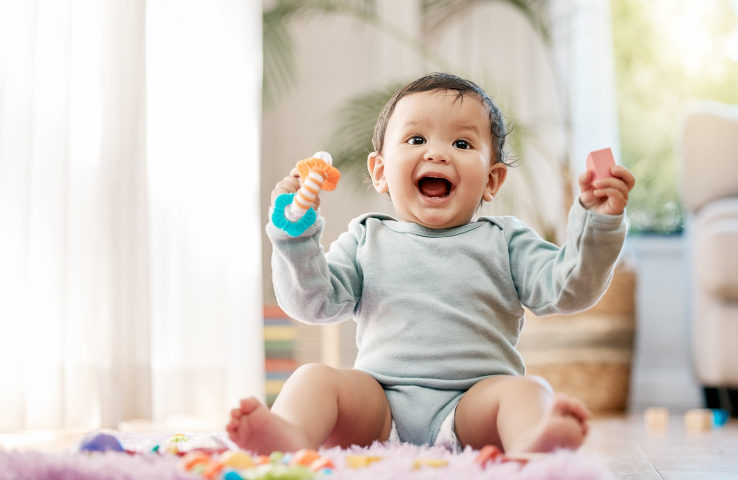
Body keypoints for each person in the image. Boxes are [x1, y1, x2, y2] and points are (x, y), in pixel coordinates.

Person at [227, 73, 635, 455]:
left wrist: (597, 222)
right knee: (313, 377)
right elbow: (312, 303)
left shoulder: (506, 241)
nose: (437, 153)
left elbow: (569, 288)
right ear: (381, 171)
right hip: (378, 403)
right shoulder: (366, 238)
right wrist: (296, 238)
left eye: (462, 144)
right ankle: (291, 434)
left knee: (528, 392)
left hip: (472, 403)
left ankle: (531, 441)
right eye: (416, 138)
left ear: (491, 180)